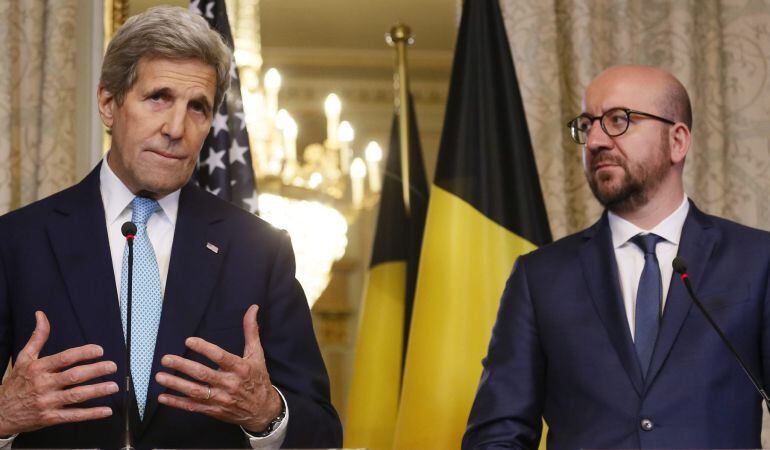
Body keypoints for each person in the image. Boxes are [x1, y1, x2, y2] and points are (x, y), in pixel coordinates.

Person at [0, 6, 341, 449]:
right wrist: (5, 414)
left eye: (197, 107)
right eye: (158, 97)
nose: (176, 128)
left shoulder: (259, 251)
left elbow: (323, 433)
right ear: (109, 103)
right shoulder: (18, 242)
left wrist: (265, 413)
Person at [463, 65, 770, 449]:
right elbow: (497, 434)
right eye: (588, 124)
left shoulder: (757, 261)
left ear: (677, 141)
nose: (594, 141)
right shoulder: (540, 277)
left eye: (618, 120)